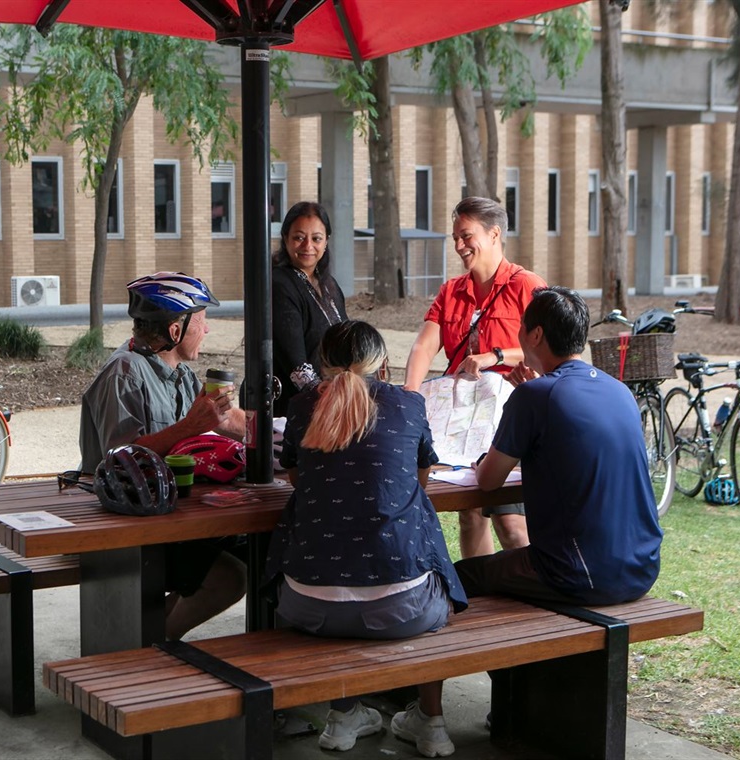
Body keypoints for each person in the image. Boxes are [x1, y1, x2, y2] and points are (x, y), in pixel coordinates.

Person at [266, 320, 467, 757]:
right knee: (422, 540)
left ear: (323, 363)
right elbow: (420, 481)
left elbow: (299, 479)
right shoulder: (409, 405)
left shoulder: (302, 407)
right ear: (385, 364)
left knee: (337, 556)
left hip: (306, 605)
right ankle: (431, 722)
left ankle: (343, 716)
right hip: (405, 610)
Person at [461, 286, 663, 604]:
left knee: (460, 576)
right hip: (643, 569)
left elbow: (488, 481)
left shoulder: (534, 396)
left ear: (536, 334)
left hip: (580, 572)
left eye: (522, 327)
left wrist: (484, 459)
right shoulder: (620, 391)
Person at [79, 271, 247, 640]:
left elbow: (225, 420)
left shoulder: (180, 374)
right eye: (201, 323)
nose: (206, 331)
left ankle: (147, 639)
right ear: (175, 331)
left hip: (167, 516)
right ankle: (149, 651)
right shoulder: (123, 373)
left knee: (252, 550)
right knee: (231, 577)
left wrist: (273, 429)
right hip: (124, 526)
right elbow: (117, 460)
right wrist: (189, 426)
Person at [403, 196, 544, 560]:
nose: (459, 245)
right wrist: (410, 396)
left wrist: (495, 355)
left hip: (511, 417)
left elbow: (548, 347)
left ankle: (530, 595)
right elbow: (424, 346)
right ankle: (481, 595)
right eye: (455, 237)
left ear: (494, 234)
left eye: (466, 236)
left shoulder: (526, 285)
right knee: (469, 513)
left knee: (511, 523)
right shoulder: (451, 291)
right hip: (463, 420)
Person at [272, 201, 348, 418]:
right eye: (298, 237)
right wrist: (326, 401)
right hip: (296, 410)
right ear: (286, 238)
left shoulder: (329, 284)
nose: (308, 246)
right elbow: (298, 369)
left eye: (316, 238)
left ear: (326, 242)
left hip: (332, 403)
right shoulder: (279, 284)